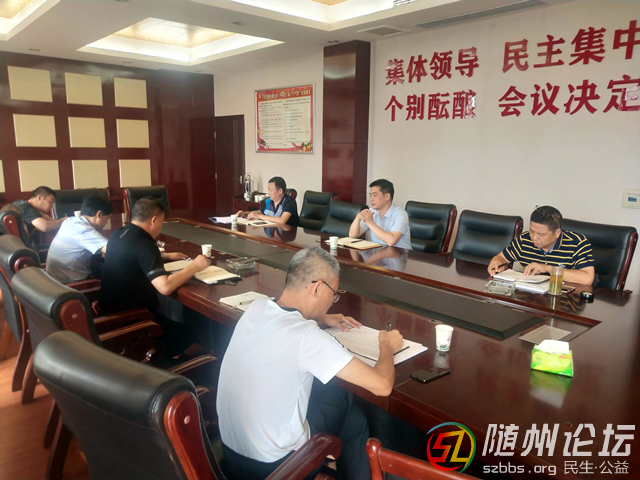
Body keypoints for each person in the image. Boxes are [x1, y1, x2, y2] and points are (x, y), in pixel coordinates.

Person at [217, 247, 403, 480]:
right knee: (343, 395)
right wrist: (386, 345)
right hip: (279, 468)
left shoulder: (257, 307)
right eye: (334, 294)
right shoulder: (307, 336)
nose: (332, 302)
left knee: (354, 419)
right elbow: (382, 385)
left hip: (231, 456)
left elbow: (285, 320)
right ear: (317, 288)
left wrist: (322, 318)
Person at [98, 197, 210, 354]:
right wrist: (195, 266)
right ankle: (163, 363)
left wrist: (165, 256)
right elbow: (165, 287)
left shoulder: (118, 234)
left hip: (109, 314)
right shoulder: (146, 246)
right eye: (161, 222)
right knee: (189, 333)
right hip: (135, 320)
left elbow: (132, 256)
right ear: (154, 220)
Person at [488, 205, 596, 285]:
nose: (534, 237)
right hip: (530, 298)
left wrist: (547, 268)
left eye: (541, 234)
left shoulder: (577, 243)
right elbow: (502, 257)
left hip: (562, 300)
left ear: (557, 233)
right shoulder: (524, 240)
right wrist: (496, 263)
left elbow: (587, 278)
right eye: (531, 231)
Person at [45, 195, 113, 284]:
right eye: (108, 218)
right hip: (71, 285)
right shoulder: (84, 230)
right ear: (99, 214)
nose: (107, 222)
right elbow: (112, 251)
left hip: (54, 281)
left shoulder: (70, 221)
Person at [348, 179, 411, 249]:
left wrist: (370, 223)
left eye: (375, 195)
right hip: (378, 253)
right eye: (370, 195)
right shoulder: (372, 212)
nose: (371, 199)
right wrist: (357, 217)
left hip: (400, 254)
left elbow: (391, 241)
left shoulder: (400, 214)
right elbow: (353, 236)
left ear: (387, 196)